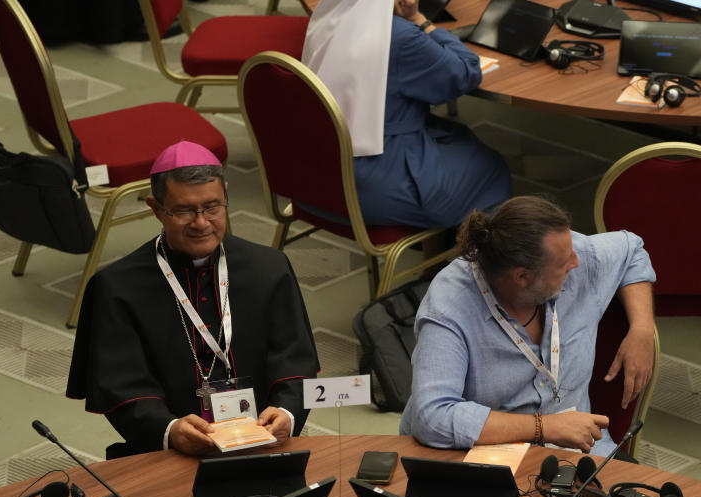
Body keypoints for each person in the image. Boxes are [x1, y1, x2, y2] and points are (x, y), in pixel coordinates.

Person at [67, 141, 320, 457]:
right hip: (167, 453)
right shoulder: (117, 287)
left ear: (226, 195)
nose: (201, 223)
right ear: (156, 208)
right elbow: (123, 386)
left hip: (264, 442)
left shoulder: (270, 268)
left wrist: (288, 412)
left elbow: (294, 360)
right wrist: (169, 430)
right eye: (185, 210)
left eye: (212, 207)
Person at [399, 196, 656, 456]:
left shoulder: (567, 252)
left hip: (580, 452)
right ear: (522, 277)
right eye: (564, 265)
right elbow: (432, 417)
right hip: (481, 458)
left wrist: (642, 329)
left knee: (645, 495)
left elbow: (633, 250)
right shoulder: (450, 305)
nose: (576, 263)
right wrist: (543, 427)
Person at [299, 0, 511, 229]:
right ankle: (468, 259)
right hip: (369, 186)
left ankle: (439, 246)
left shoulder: (327, 15)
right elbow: (466, 71)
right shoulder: (399, 36)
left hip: (314, 171)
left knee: (458, 136)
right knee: (491, 167)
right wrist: (419, 19)